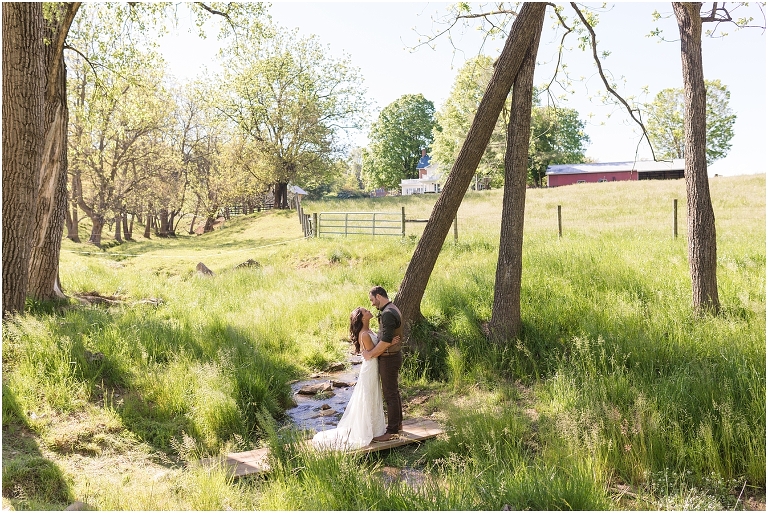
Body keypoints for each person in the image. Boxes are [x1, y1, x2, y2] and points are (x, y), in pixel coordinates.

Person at [312, 307, 398, 450]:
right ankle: (367, 431)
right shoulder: (364, 334)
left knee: (373, 396)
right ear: (362, 318)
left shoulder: (368, 331)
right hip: (370, 368)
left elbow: (374, 349)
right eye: (365, 311)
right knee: (369, 397)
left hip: (373, 366)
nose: (369, 311)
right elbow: (374, 353)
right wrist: (390, 343)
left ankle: (374, 430)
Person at [362, 286, 403, 442]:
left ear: (379, 296)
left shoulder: (387, 313)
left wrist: (370, 354)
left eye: (372, 300)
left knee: (390, 394)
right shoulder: (392, 308)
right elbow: (387, 338)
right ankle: (398, 425)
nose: (372, 304)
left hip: (389, 358)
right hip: (391, 355)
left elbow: (385, 340)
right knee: (394, 392)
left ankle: (392, 431)